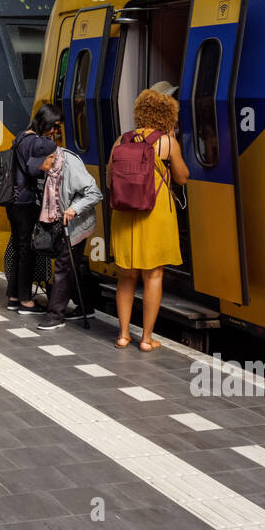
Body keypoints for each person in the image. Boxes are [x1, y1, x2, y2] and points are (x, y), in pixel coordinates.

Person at [109, 88, 190, 351]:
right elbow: (182, 177)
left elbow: (111, 177)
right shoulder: (167, 143)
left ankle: (122, 335)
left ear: (140, 112)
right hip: (154, 214)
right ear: (168, 115)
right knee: (153, 275)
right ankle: (146, 339)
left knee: (126, 276)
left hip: (124, 214)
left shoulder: (122, 139)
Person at [30, 135, 103, 331]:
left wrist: (74, 209)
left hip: (76, 224)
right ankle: (85, 307)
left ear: (52, 156)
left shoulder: (71, 167)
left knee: (63, 266)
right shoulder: (53, 168)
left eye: (40, 163)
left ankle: (55, 316)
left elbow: (95, 193)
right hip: (60, 224)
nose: (39, 167)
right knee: (71, 265)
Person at [6, 103, 63, 314]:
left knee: (18, 250)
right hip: (25, 203)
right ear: (46, 121)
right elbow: (36, 168)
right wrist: (52, 147)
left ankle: (13, 296)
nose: (55, 132)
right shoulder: (39, 143)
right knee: (27, 252)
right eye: (55, 126)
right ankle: (25, 301)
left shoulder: (21, 137)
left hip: (12, 203)